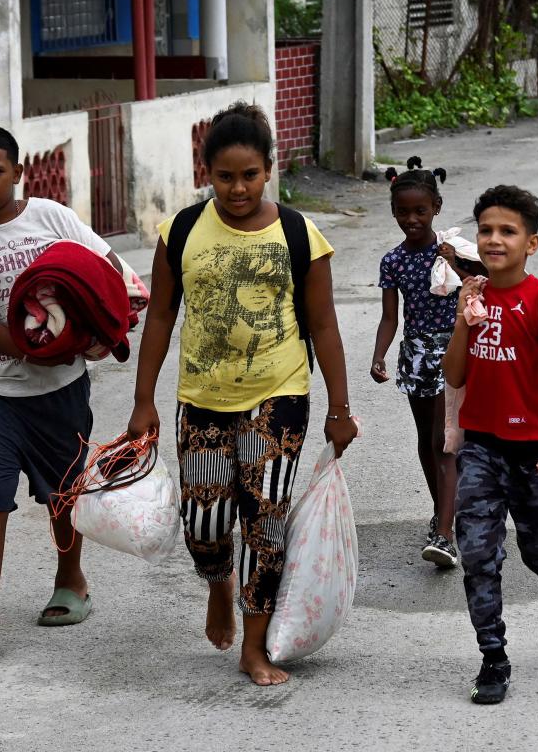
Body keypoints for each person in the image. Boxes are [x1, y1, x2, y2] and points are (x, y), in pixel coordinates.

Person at [128, 102, 357, 687]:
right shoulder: (180, 232)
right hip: (201, 397)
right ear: (207, 172)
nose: (238, 188)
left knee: (264, 522)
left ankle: (254, 646)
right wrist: (143, 401)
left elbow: (324, 325)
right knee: (205, 525)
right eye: (225, 176)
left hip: (279, 397)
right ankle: (218, 583)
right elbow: (158, 319)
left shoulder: (300, 235)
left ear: (269, 169)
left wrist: (339, 407)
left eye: (250, 174)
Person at [0, 125, 127, 659]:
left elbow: (105, 267)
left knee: (63, 489)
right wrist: (30, 347)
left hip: (58, 387)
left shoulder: (52, 218)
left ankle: (71, 581)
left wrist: (96, 331)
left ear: (19, 173)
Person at [442, 185, 538, 706]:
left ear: (532, 243)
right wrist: (463, 314)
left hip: (534, 452)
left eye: (508, 231)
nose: (494, 239)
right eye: (486, 230)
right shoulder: (473, 296)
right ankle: (493, 659)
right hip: (481, 447)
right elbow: (453, 375)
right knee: (479, 554)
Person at [370, 167, 475, 569]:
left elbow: (481, 285)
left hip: (453, 351)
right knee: (426, 439)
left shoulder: (452, 250)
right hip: (415, 356)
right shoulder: (393, 261)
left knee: (444, 441)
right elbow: (389, 319)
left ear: (436, 208)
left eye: (420, 211)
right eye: (402, 212)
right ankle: (442, 514)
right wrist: (379, 355)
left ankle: (445, 534)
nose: (411, 219)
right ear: (394, 212)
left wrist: (457, 265)